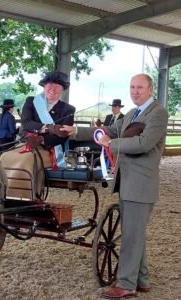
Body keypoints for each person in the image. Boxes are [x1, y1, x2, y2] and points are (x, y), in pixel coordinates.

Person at [60, 74, 169, 299]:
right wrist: (76, 132)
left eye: (140, 87)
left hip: (141, 184)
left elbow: (144, 143)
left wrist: (112, 144)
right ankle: (142, 279)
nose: (135, 91)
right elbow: (109, 130)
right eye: (132, 87)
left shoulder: (158, 112)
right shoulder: (132, 113)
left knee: (131, 235)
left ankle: (127, 285)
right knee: (133, 233)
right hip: (128, 182)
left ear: (150, 89)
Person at [21, 70, 75, 167]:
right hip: (26, 141)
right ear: (44, 86)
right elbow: (26, 122)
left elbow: (63, 135)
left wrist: (41, 139)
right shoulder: (31, 101)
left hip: (51, 147)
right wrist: (50, 128)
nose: (53, 89)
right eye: (50, 84)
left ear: (62, 89)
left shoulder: (68, 109)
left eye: (57, 86)